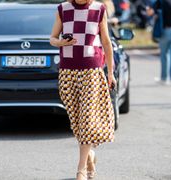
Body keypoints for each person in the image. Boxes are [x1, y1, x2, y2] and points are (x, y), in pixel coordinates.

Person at [50, 0, 116, 179]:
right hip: (67, 72)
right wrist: (62, 43)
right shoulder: (63, 9)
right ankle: (90, 157)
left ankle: (81, 169)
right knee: (77, 122)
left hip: (91, 72)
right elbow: (52, 39)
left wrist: (110, 72)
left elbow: (106, 42)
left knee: (87, 120)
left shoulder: (99, 9)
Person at [147, 0, 171, 87]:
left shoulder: (161, 1)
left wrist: (148, 9)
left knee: (164, 55)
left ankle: (164, 78)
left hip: (166, 31)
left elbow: (150, 13)